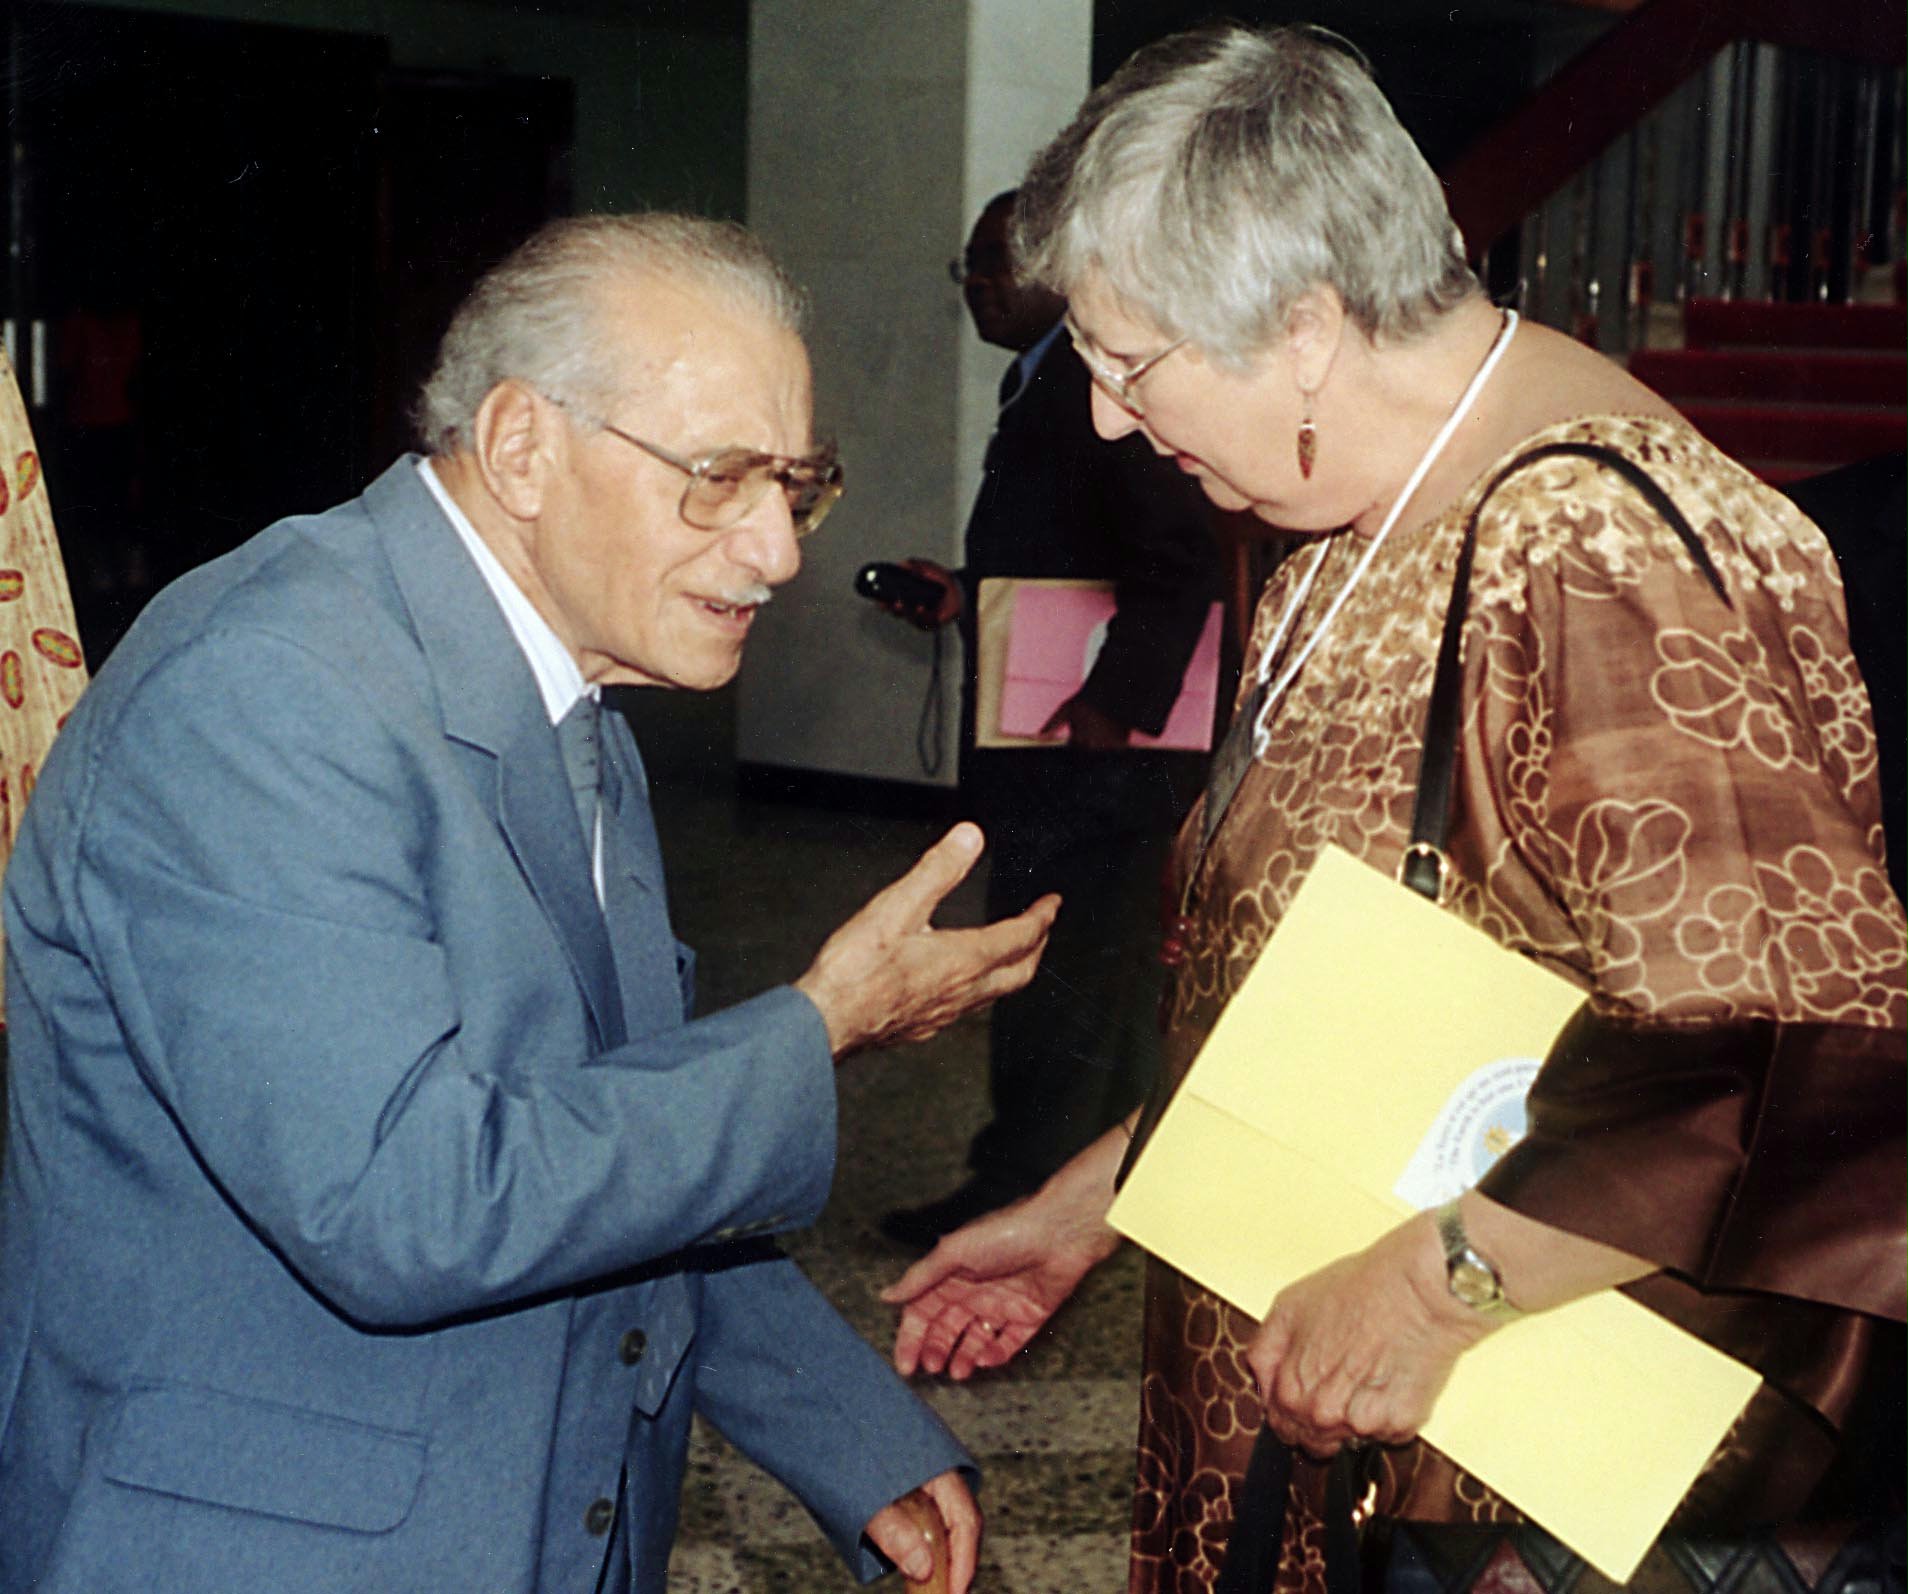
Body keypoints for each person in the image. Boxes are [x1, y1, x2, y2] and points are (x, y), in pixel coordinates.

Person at [885, 26, 1908, 1594]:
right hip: (1362, 1422)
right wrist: (1103, 1198)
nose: (1102, 419)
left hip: (1521, 1481)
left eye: (1125, 360)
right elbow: (1366, 1003)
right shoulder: (1338, 538)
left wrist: (1437, 1293)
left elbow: (1794, 1061)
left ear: (1304, 327)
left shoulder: (1602, 539)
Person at [0, 213, 1062, 1594]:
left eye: (796, 486)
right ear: (521, 449)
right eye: (720, 478)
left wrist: (840, 1428)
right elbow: (409, 1200)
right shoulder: (268, 692)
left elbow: (596, 1134)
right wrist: (821, 1028)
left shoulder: (568, 682)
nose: (778, 549)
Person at [877, 190, 1217, 1250]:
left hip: (1094, 755)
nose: (976, 284)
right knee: (1082, 979)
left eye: (994, 263)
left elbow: (1180, 552)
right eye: (967, 266)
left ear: (1057, 268)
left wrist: (1113, 705)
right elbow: (1080, 553)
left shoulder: (1093, 385)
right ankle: (1068, 1179)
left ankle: (1023, 1191)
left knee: (1057, 983)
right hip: (1058, 748)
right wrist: (963, 590)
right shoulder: (1042, 382)